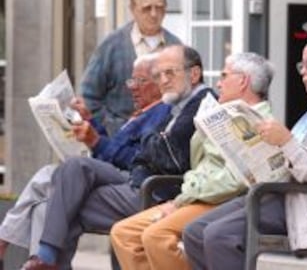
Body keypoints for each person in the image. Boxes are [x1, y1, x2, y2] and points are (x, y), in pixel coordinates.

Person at [182, 34, 307, 270]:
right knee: (194, 232)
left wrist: (285, 141)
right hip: (284, 194)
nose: (304, 72)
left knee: (219, 236)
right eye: (302, 65)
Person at [21, 45, 214, 270]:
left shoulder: (193, 105)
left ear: (194, 74)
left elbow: (166, 154)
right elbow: (147, 149)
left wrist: (128, 144)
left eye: (169, 73)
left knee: (68, 189)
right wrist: (97, 128)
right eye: (159, 75)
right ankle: (46, 258)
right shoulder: (173, 105)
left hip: (156, 189)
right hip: (138, 179)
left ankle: (41, 256)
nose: (163, 81)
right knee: (64, 195)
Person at [109, 52, 287, 270]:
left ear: (242, 81)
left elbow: (234, 182)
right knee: (124, 233)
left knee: (157, 235)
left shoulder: (258, 124)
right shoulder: (225, 115)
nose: (218, 83)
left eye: (224, 75)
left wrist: (181, 200)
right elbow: (201, 164)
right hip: (198, 196)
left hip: (220, 202)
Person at [0, 53, 170, 269]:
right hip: (113, 174)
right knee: (47, 203)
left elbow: (136, 158)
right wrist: (90, 121)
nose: (132, 87)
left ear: (160, 83)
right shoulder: (140, 113)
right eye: (131, 80)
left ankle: (10, 241)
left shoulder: (161, 112)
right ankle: (43, 260)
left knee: (69, 169)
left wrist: (97, 141)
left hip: (132, 180)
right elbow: (114, 147)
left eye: (141, 81)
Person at [81, 0, 181, 135]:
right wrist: (112, 128)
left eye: (159, 8)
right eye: (147, 8)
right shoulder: (111, 46)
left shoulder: (176, 48)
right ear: (133, 9)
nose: (153, 14)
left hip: (161, 142)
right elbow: (89, 96)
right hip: (118, 141)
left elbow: (185, 96)